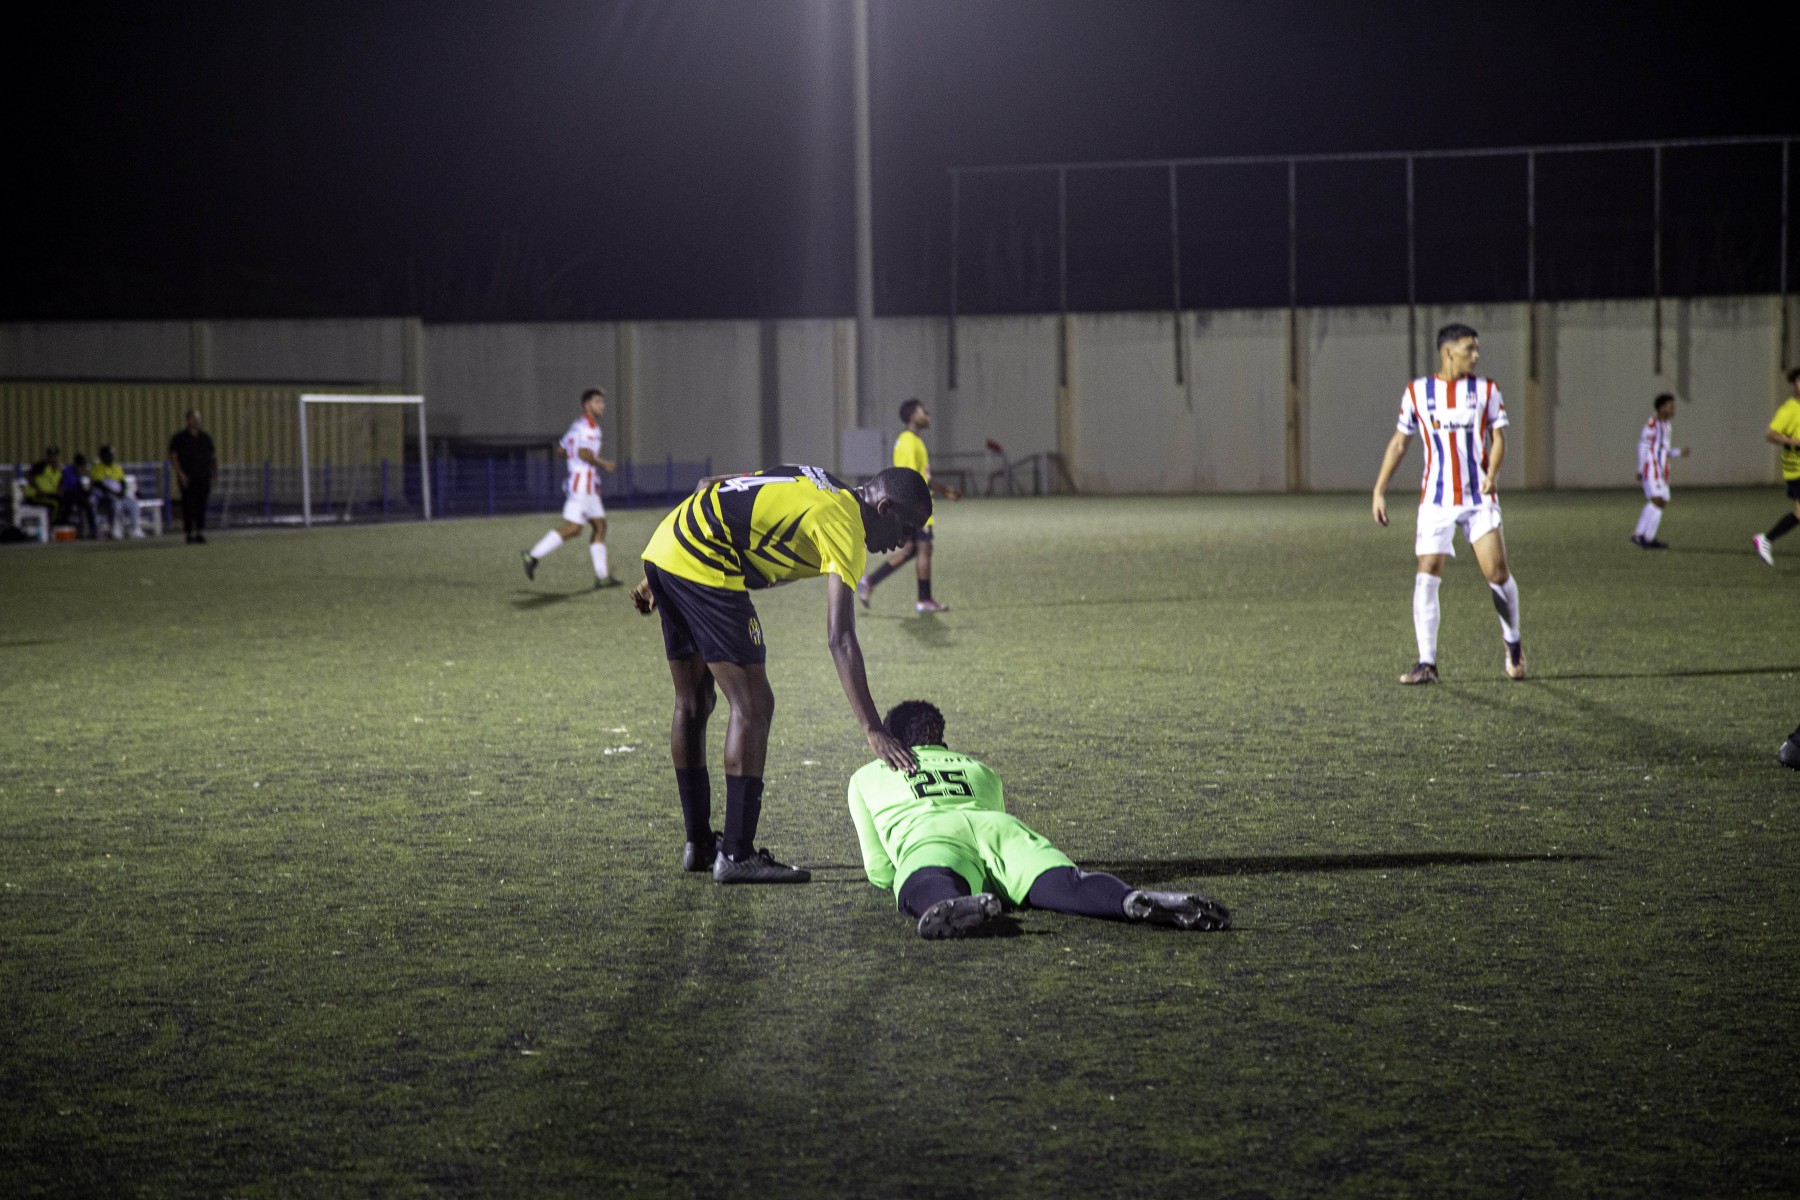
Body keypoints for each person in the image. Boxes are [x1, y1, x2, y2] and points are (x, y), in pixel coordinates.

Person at [631, 463, 933, 884]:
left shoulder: (819, 477)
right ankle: (736, 855)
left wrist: (659, 573)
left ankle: (699, 844)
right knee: (754, 705)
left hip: (667, 545)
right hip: (703, 561)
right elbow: (840, 637)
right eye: (906, 529)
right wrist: (873, 729)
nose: (904, 542)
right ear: (884, 509)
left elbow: (707, 485)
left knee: (693, 701)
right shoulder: (846, 527)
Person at [848, 700, 1232, 938]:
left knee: (927, 879)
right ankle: (1127, 899)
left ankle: (949, 903)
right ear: (941, 740)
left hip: (928, 834)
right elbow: (991, 847)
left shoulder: (867, 775)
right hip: (998, 828)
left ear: (892, 741)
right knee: (1066, 882)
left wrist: (906, 874)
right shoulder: (979, 769)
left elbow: (880, 870)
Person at [1372, 322, 1525, 684]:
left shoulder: (1486, 390)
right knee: (1427, 570)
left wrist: (1494, 473)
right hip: (1436, 499)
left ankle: (1513, 642)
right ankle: (1426, 662)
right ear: (1448, 352)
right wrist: (1379, 489)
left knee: (1496, 574)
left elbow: (1499, 438)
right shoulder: (1417, 392)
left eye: (1477, 348)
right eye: (1469, 348)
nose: (1476, 355)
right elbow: (1399, 443)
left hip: (1478, 497)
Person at [857, 398, 962, 613]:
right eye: (923, 411)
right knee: (924, 548)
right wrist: (945, 491)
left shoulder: (912, 440)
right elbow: (913, 479)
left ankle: (869, 582)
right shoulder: (908, 442)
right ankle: (924, 600)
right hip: (914, 507)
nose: (927, 414)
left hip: (910, 506)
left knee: (910, 550)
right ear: (913, 416)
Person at [521, 387, 620, 588]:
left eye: (602, 402)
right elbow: (583, 453)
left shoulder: (577, 425)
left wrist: (573, 459)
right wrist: (604, 464)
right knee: (574, 528)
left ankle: (602, 577)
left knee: (600, 526)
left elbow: (561, 449)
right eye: (597, 402)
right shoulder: (589, 428)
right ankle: (532, 555)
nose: (602, 406)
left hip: (586, 485)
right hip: (582, 485)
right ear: (587, 405)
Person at [1752, 367, 1800, 565]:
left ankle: (1766, 539)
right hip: (1796, 469)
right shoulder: (1789, 409)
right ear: (1794, 384)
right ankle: (1766, 539)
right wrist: (1794, 441)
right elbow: (1771, 434)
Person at [1631, 393, 1689, 549]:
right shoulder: (1652, 424)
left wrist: (1679, 452)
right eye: (1671, 406)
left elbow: (1664, 450)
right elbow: (1643, 445)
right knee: (1657, 500)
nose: (1673, 410)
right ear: (1662, 408)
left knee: (1661, 502)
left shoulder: (1667, 426)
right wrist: (1640, 468)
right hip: (1651, 468)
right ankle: (1638, 534)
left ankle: (1647, 538)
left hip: (1662, 469)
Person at [167, 409, 216, 544]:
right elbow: (174, 457)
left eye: (198, 418)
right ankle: (189, 533)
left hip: (204, 476)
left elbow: (212, 456)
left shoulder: (205, 437)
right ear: (188, 420)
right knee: (188, 505)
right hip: (188, 477)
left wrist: (214, 474)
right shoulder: (180, 438)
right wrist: (181, 474)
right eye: (193, 418)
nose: (196, 421)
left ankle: (200, 532)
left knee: (201, 505)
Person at [89, 444, 145, 538]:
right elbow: (99, 484)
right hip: (106, 497)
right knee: (116, 504)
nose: (111, 457)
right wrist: (115, 493)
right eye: (108, 455)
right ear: (103, 456)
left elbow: (122, 481)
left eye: (111, 455)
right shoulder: (97, 468)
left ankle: (135, 529)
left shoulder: (116, 467)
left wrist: (122, 492)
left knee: (133, 504)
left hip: (119, 495)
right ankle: (115, 530)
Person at [60, 452, 98, 538]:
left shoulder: (84, 473)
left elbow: (88, 488)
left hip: (81, 496)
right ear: (76, 464)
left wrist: (87, 478)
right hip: (69, 496)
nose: (82, 467)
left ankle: (92, 530)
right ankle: (64, 526)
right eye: (80, 465)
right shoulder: (68, 471)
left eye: (83, 465)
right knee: (81, 502)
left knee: (88, 504)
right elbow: (64, 487)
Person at [23, 446, 63, 524]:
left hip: (48, 494)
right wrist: (37, 489)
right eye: (51, 455)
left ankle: (57, 523)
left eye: (54, 455)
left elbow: (57, 484)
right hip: (36, 495)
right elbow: (28, 476)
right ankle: (52, 524)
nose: (53, 458)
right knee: (54, 504)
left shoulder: (57, 470)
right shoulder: (41, 465)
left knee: (61, 500)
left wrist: (59, 490)